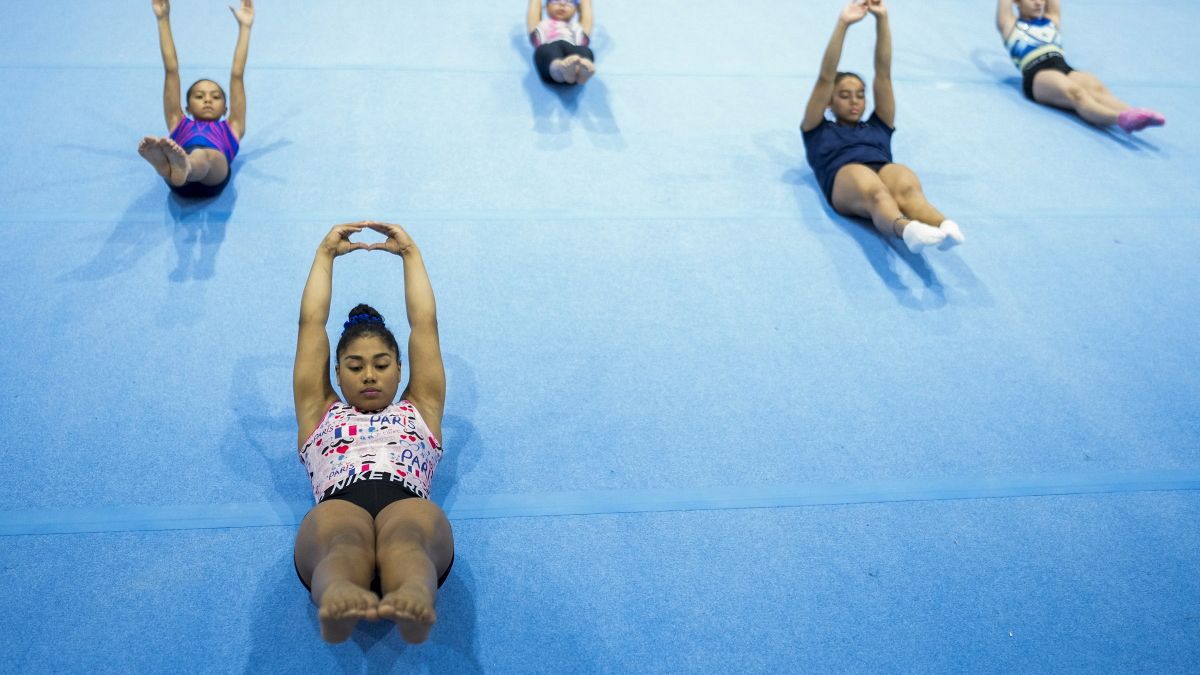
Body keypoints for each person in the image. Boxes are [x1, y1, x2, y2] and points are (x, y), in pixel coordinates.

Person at [292, 222, 455, 645]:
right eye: (355, 366)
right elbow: (311, 324)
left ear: (400, 369)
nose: (369, 375)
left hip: (406, 500)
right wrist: (324, 255)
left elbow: (425, 325)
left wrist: (410, 255)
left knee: (407, 538)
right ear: (337, 373)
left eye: (382, 365)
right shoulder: (318, 412)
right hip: (340, 504)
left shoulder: (420, 408)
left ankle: (413, 593)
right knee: (344, 541)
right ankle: (339, 594)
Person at [801, 0, 964, 253]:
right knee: (877, 192)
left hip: (882, 170)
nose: (854, 101)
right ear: (828, 102)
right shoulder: (817, 130)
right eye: (844, 95)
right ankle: (906, 229)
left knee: (905, 182)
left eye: (860, 94)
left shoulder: (878, 126)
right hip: (846, 178)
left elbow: (883, 73)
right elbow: (825, 78)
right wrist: (843, 23)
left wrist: (882, 19)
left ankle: (945, 225)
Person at [137, 0, 253, 199]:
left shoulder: (233, 127)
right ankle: (172, 168)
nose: (208, 100)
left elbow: (237, 75)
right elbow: (171, 70)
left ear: (226, 109)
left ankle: (174, 167)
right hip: (179, 178)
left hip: (213, 176)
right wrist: (163, 19)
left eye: (216, 97)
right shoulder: (177, 121)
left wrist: (245, 27)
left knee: (204, 155)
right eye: (199, 96)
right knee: (194, 155)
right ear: (187, 107)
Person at [996, 0, 1164, 132]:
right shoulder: (1009, 24)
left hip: (1064, 67)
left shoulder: (1051, 19)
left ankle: (1136, 114)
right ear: (1016, 2)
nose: (1039, 3)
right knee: (1077, 94)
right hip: (1038, 73)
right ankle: (1119, 118)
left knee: (1098, 89)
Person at [526, 0, 595, 84]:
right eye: (556, 1)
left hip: (574, 53)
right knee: (543, 51)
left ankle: (582, 72)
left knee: (585, 50)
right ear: (546, 7)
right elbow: (535, 4)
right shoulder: (539, 27)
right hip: (550, 54)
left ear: (577, 9)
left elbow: (586, 4)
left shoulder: (579, 29)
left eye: (569, 2)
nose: (562, 4)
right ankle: (560, 68)